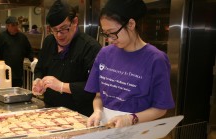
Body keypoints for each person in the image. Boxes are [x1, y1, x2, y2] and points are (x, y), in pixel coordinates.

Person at [85, 0, 175, 128]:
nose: (110, 39)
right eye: (106, 34)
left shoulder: (155, 59)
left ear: (131, 24)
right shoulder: (105, 54)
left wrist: (131, 118)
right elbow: (98, 95)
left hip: (135, 129)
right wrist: (98, 111)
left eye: (113, 33)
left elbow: (161, 108)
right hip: (104, 126)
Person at [32, 0, 101, 117]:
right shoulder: (49, 41)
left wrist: (62, 86)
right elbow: (40, 68)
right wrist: (38, 80)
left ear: (75, 22)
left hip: (78, 115)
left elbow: (94, 88)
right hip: (49, 111)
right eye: (54, 30)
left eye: (64, 28)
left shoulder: (91, 48)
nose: (59, 35)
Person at [0, 16, 34, 87]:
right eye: (13, 25)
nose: (16, 27)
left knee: (16, 92)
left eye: (16, 25)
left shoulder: (22, 37)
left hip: (18, 73)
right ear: (7, 26)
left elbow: (29, 51)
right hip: (4, 73)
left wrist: (34, 60)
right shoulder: (1, 37)